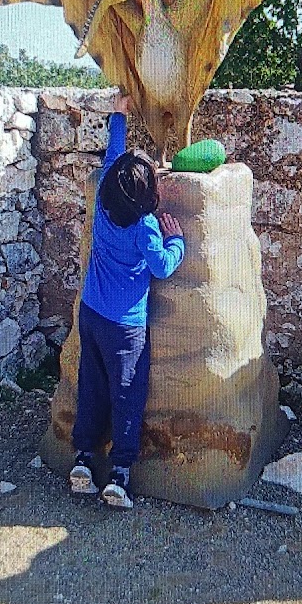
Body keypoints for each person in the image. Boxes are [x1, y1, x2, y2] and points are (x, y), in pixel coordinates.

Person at [70, 91, 185, 509]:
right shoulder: (146, 227)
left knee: (91, 386)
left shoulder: (103, 193)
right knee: (126, 395)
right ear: (148, 196)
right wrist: (177, 241)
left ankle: (82, 460)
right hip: (125, 328)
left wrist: (118, 115)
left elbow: (114, 153)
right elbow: (162, 267)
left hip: (91, 314)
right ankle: (119, 472)